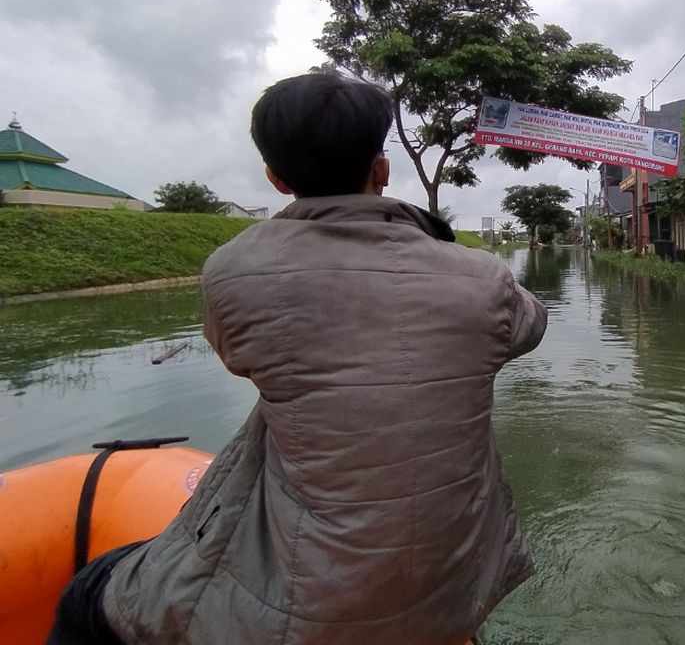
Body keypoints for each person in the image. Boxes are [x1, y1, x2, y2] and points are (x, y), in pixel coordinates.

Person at [49, 72, 547, 644]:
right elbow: (528, 326)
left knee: (86, 593)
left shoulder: (232, 271)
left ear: (276, 178)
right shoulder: (483, 278)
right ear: (382, 170)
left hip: (305, 599)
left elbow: (240, 356)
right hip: (458, 583)